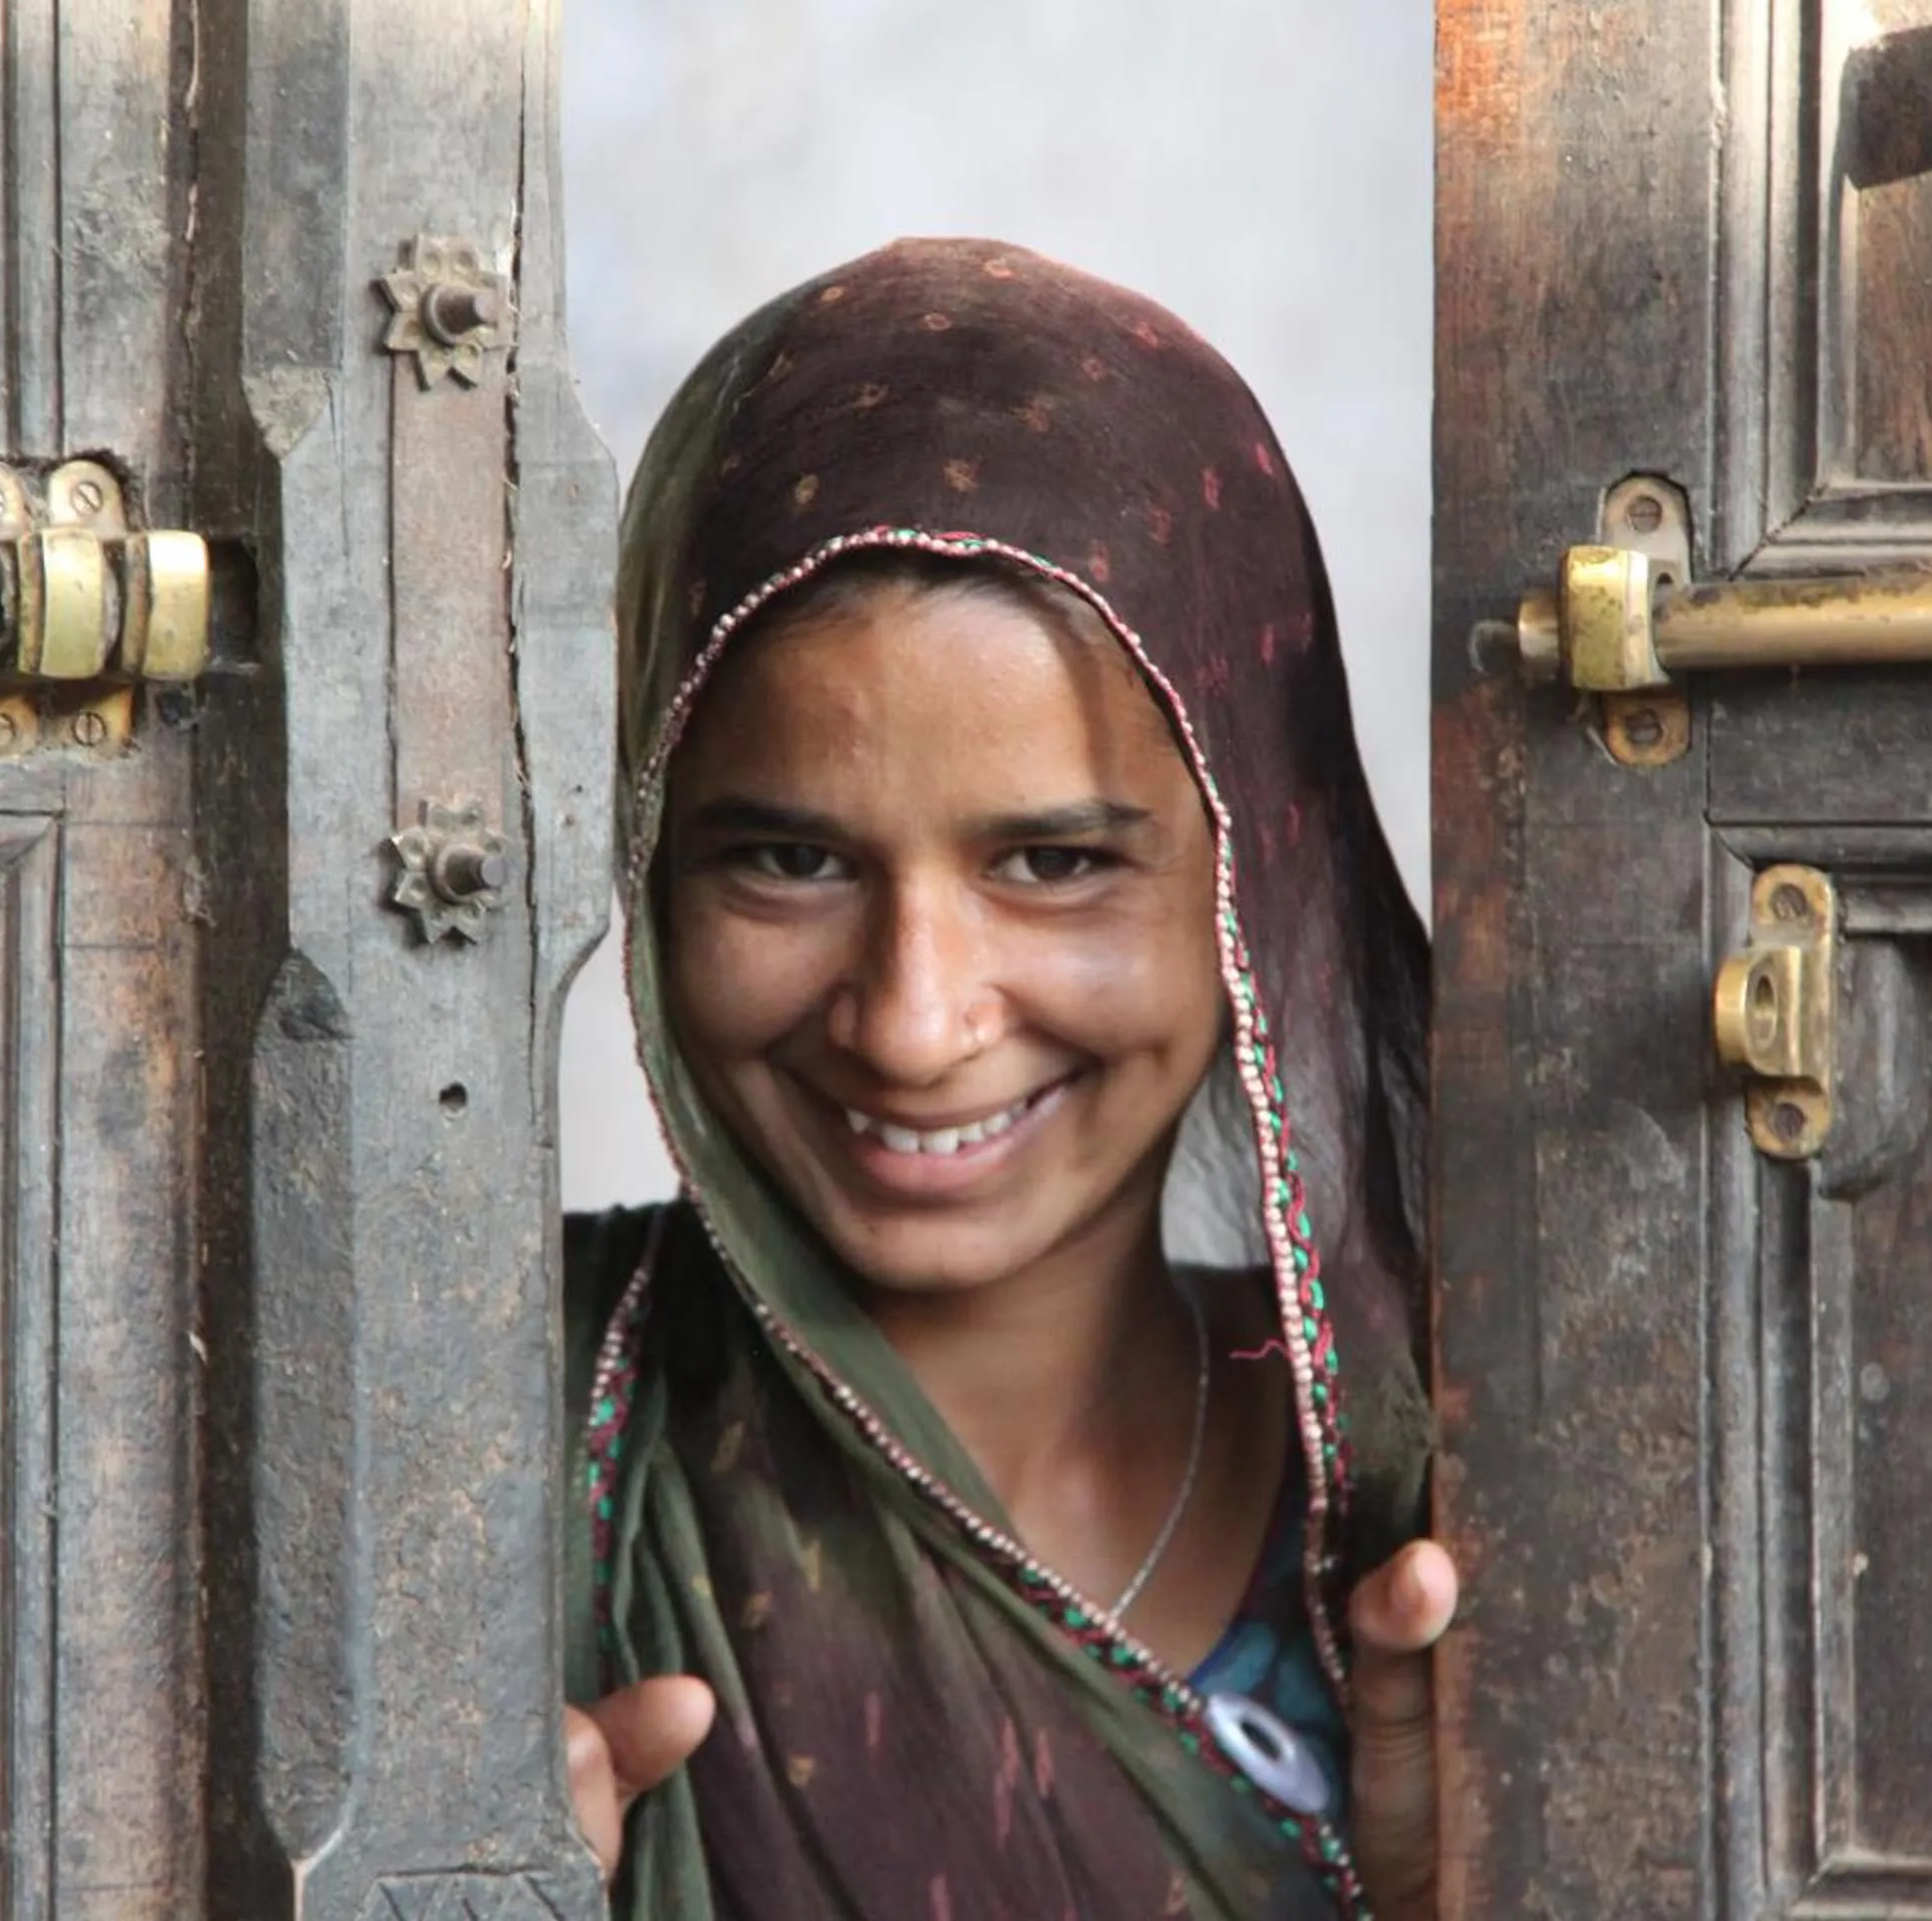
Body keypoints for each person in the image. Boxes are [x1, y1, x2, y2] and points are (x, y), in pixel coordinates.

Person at [561, 238, 1457, 1918]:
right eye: (784, 861)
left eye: (1051, 864)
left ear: (1263, 873)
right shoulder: (471, 1442)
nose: (911, 1022)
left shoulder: (1455, 1520)